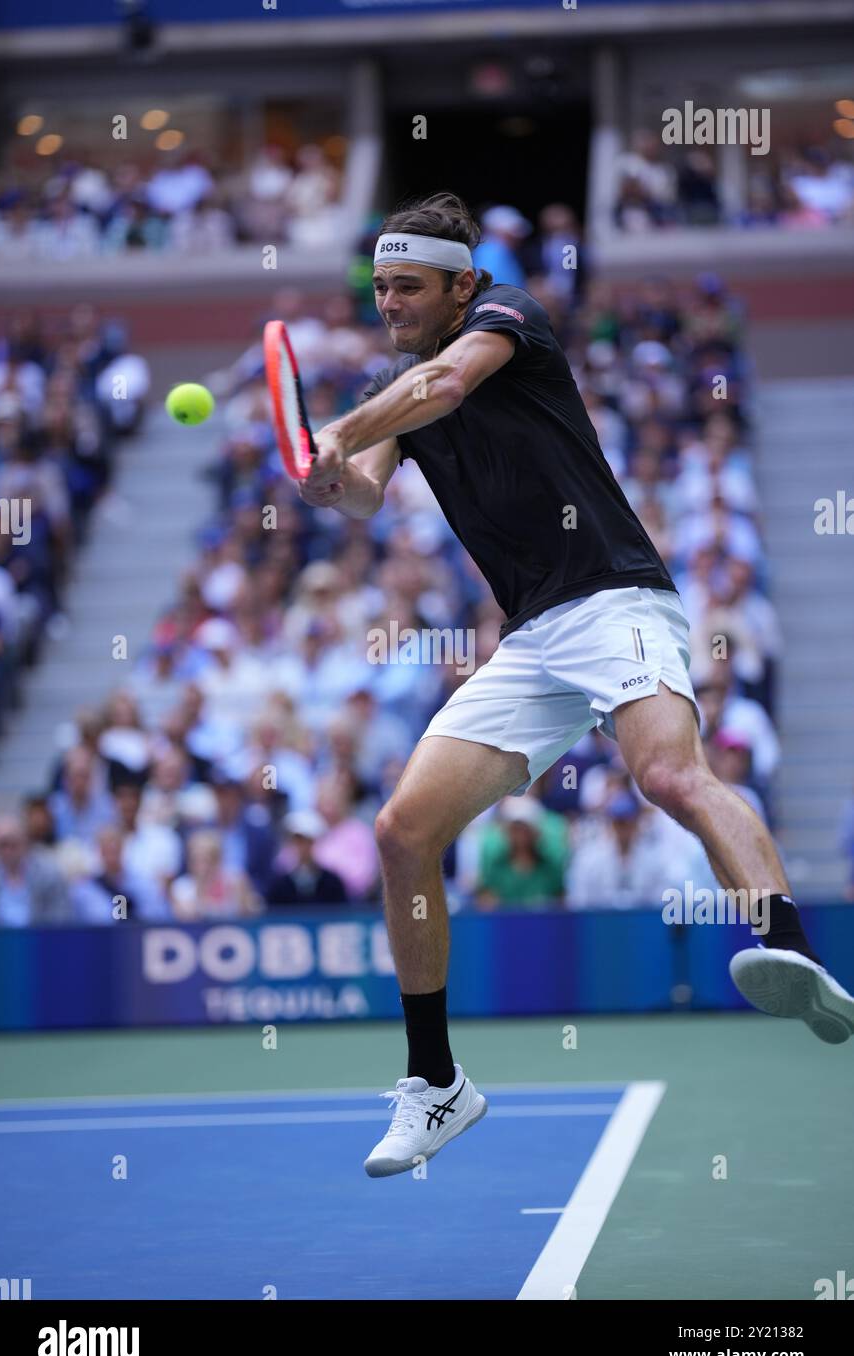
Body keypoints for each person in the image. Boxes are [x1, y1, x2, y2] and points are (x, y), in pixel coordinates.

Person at [297, 190, 854, 1179]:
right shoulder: (397, 388)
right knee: (401, 831)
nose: (388, 302)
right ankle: (437, 1083)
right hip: (531, 639)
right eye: (379, 287)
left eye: (408, 286)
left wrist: (337, 424)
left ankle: (791, 947)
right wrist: (327, 478)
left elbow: (445, 384)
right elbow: (369, 492)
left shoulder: (506, 318)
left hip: (614, 598)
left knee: (667, 777)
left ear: (461, 286)